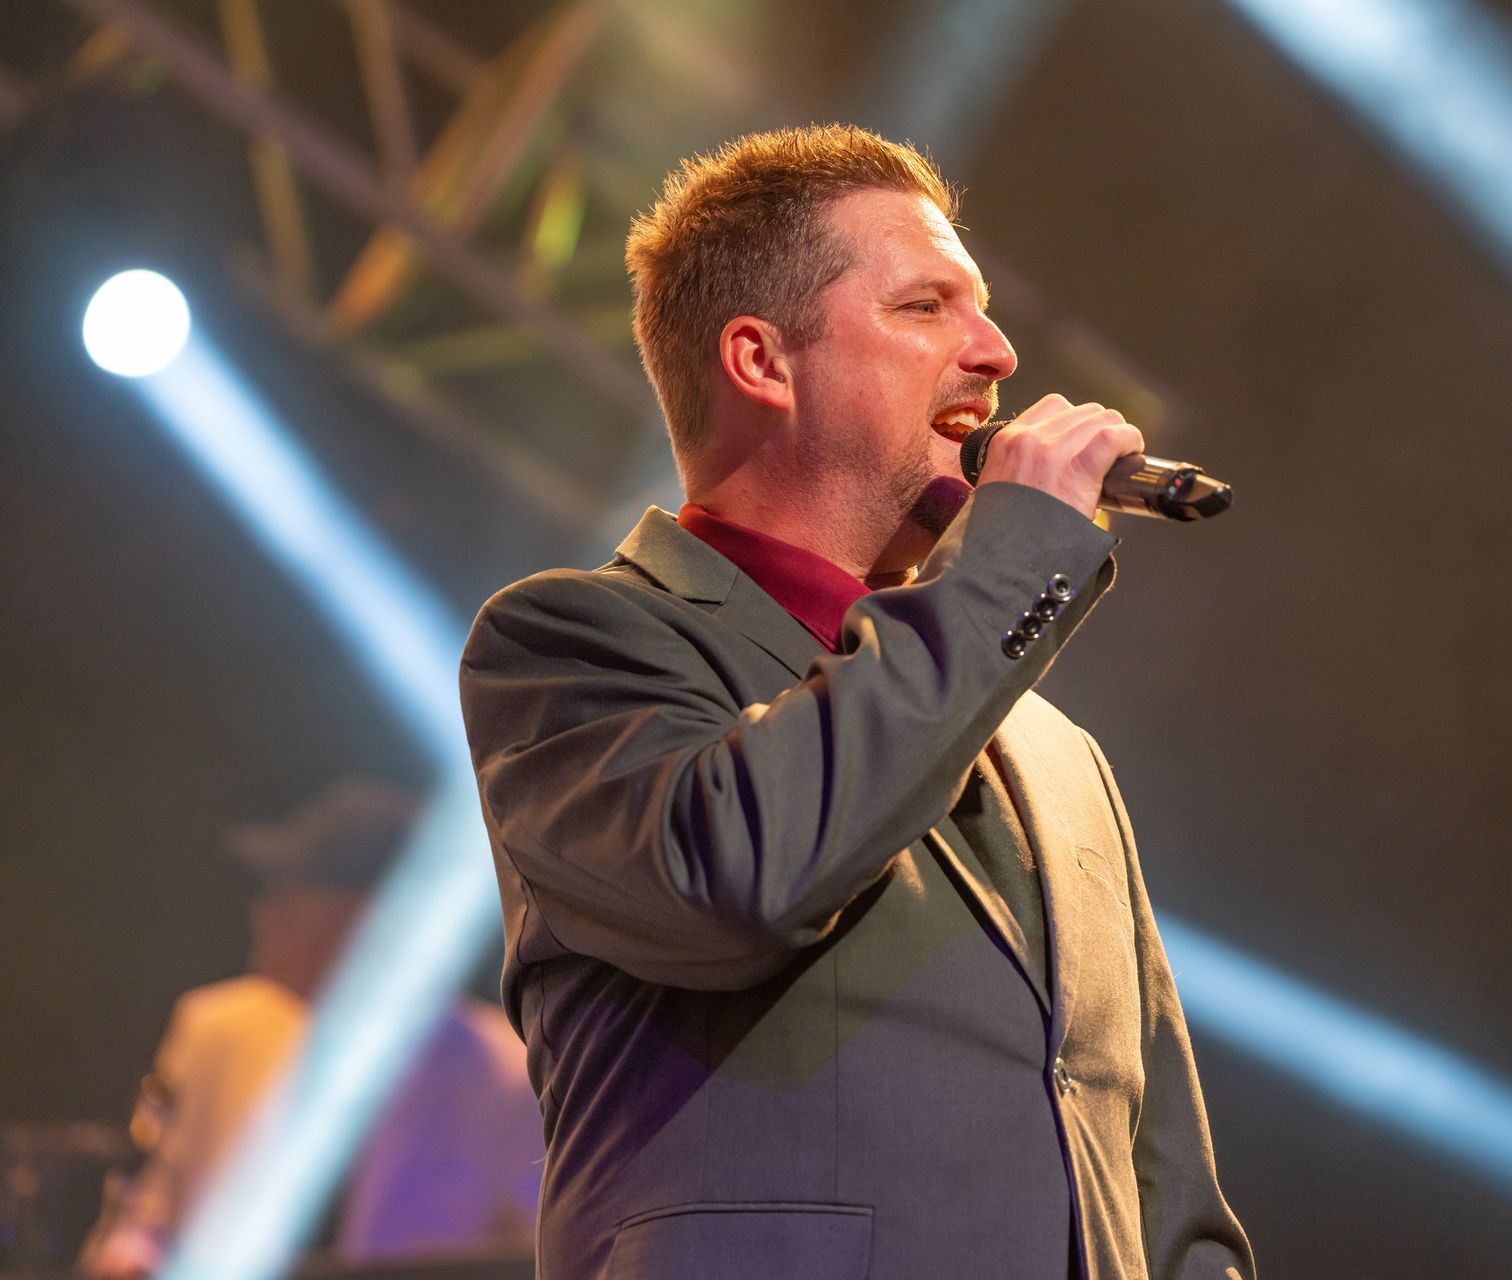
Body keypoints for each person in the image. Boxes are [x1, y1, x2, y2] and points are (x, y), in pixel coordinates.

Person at [459, 124, 1255, 1280]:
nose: (996, 351)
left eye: (979, 308)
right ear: (761, 361)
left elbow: (1160, 1176)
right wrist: (1013, 559)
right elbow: (735, 877)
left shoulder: (1053, 748)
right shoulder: (575, 641)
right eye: (926, 306)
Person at [79, 779, 543, 1278]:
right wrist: (129, 1258)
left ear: (364, 922)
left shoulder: (508, 1071)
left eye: (291, 898)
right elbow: (145, 1222)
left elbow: (539, 1251)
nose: (264, 915)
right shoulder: (213, 1030)